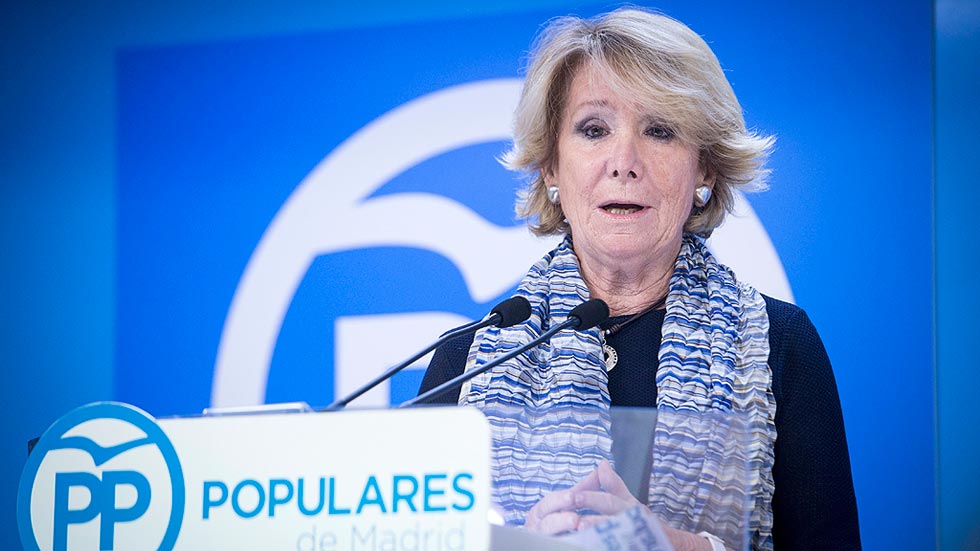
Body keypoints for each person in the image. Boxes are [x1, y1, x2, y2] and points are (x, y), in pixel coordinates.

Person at [418, 8, 860, 551]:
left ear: (704, 169)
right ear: (551, 167)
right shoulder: (468, 360)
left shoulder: (778, 343)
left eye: (659, 130)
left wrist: (685, 547)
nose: (623, 161)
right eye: (594, 130)